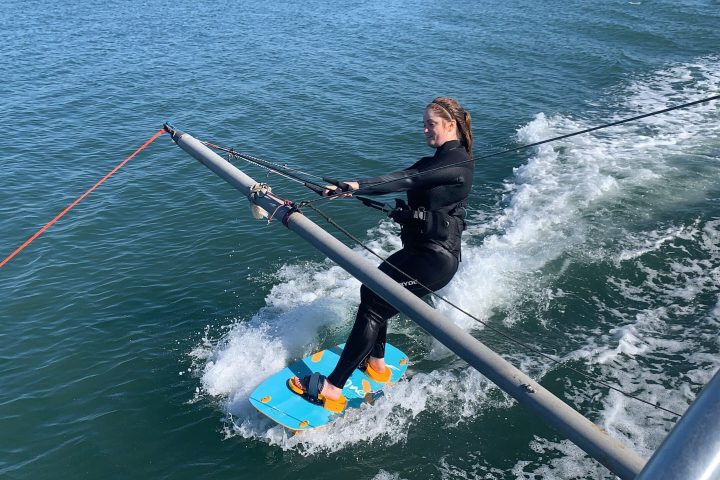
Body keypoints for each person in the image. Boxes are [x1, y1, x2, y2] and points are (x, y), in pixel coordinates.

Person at [289, 97, 474, 412]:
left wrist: (356, 185)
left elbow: (409, 179)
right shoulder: (442, 159)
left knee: (374, 308)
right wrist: (356, 190)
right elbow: (409, 175)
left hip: (435, 259)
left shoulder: (455, 162)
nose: (425, 128)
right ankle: (375, 362)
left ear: (450, 124)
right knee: (370, 289)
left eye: (431, 123)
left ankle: (332, 388)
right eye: (424, 122)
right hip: (422, 251)